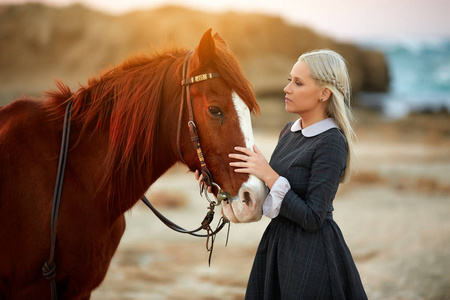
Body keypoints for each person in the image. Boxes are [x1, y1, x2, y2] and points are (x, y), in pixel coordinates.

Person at [228, 49, 368, 299]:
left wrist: (269, 174)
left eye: (298, 82)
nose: (287, 88)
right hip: (277, 247)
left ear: (324, 93)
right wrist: (228, 184)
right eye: (289, 80)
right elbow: (272, 198)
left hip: (312, 255)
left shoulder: (331, 141)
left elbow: (313, 217)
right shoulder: (288, 132)